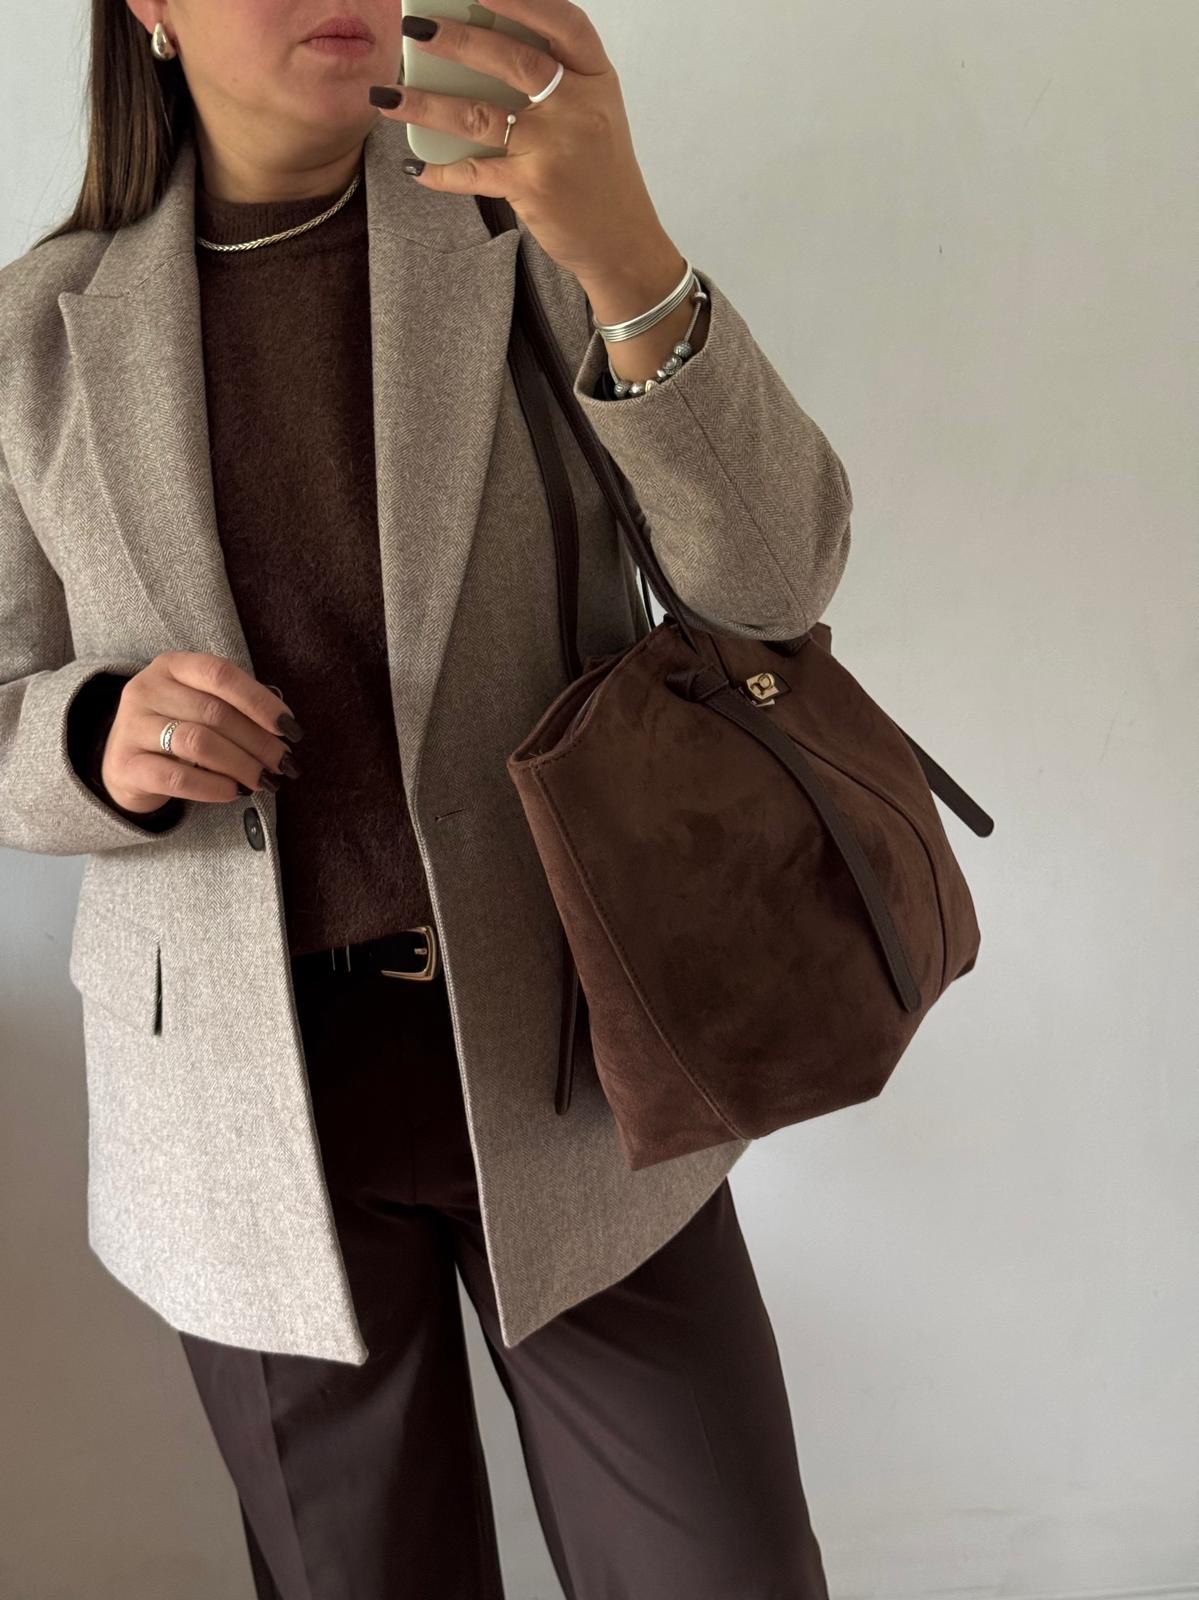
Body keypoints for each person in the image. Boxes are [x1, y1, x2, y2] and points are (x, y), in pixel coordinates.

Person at [0, 0, 854, 1593]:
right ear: (149, 12)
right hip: (238, 1111)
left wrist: (626, 247)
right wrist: (91, 734)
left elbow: (774, 583)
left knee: (721, 1568)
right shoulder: (34, 338)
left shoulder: (518, 231)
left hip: (580, 1053)